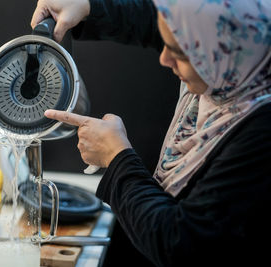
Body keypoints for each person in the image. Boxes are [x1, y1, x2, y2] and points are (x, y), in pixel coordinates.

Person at [32, 0, 271, 266]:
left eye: (179, 52)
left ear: (226, 53)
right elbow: (163, 23)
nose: (163, 59)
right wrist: (89, 6)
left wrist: (117, 158)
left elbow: (180, 243)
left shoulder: (261, 133)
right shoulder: (235, 65)